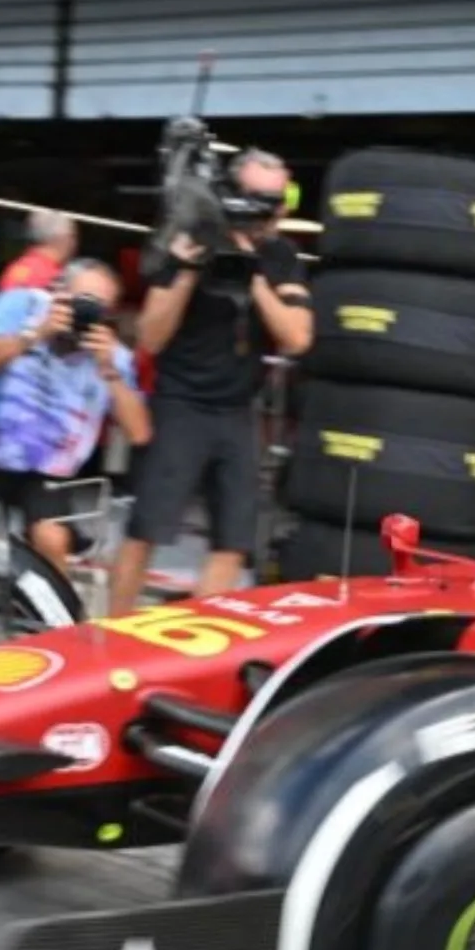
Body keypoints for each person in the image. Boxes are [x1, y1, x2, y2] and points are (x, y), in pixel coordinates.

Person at [115, 148, 311, 615]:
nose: (272, 211)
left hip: (238, 410)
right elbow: (150, 337)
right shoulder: (192, 239)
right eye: (261, 200)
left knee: (234, 540)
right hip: (181, 403)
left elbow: (298, 338)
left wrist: (253, 276)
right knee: (146, 530)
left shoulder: (279, 255)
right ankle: (107, 633)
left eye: (280, 200)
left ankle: (191, 633)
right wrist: (186, 270)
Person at [0, 258, 151, 572]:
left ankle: (53, 603)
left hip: (49, 472)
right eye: (80, 303)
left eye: (98, 308)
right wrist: (34, 334)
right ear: (58, 292)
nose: (83, 316)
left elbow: (139, 433)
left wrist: (108, 370)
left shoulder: (112, 354)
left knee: (52, 539)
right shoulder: (22, 305)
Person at [0, 208, 76, 292]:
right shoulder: (50, 276)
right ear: (61, 239)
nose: (73, 243)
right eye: (72, 236)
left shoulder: (18, 268)